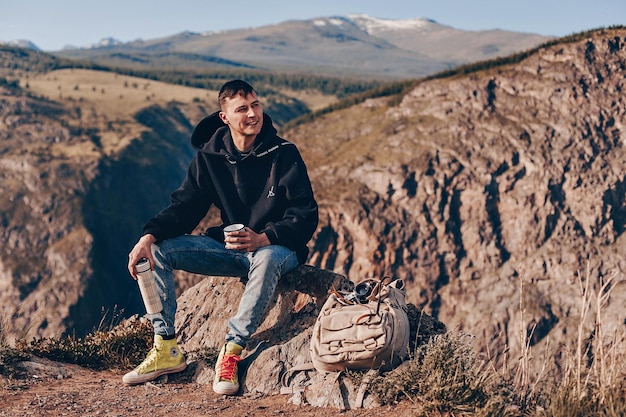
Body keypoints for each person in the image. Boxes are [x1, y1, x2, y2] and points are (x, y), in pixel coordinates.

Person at [122, 79, 319, 395]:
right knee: (157, 250)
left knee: (267, 258)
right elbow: (185, 206)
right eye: (242, 108)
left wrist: (265, 237)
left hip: (277, 248)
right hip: (232, 249)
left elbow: (305, 215)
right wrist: (149, 235)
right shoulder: (210, 157)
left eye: (256, 105)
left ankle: (232, 350)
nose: (253, 114)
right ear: (224, 117)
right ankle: (166, 348)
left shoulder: (284, 153)